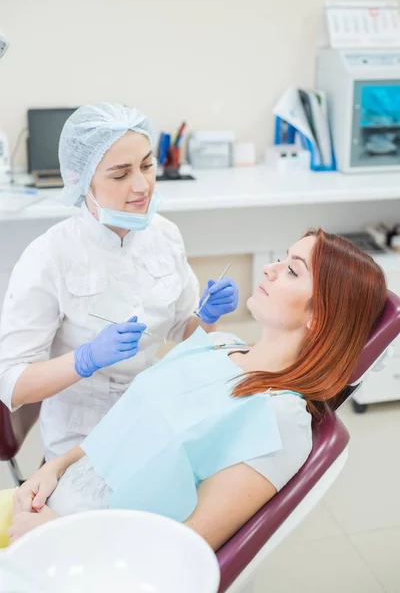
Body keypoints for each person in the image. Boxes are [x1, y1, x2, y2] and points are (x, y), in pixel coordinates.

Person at [7, 228, 387, 551]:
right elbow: (122, 429)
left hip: (84, 556)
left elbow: (183, 550)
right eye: (283, 258)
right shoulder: (217, 342)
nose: (270, 269)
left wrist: (55, 537)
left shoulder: (278, 420)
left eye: (291, 270)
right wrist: (52, 469)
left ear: (317, 318)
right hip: (45, 500)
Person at [0, 103, 238, 460]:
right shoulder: (49, 256)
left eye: (146, 165)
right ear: (82, 181)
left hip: (149, 414)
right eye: (119, 174)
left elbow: (182, 331)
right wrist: (85, 359)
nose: (142, 186)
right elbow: (13, 383)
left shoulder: (165, 235)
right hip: (79, 437)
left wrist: (206, 315)